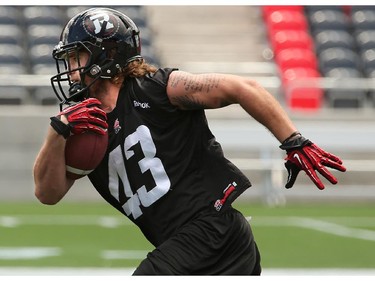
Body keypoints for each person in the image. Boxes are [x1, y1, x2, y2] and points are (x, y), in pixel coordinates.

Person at [33, 7, 346, 275]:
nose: (72, 71)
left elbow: (242, 87)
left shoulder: (156, 89)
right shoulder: (85, 123)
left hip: (213, 228)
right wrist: (56, 133)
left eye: (78, 56)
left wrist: (293, 141)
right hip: (196, 242)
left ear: (109, 53)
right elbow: (48, 193)